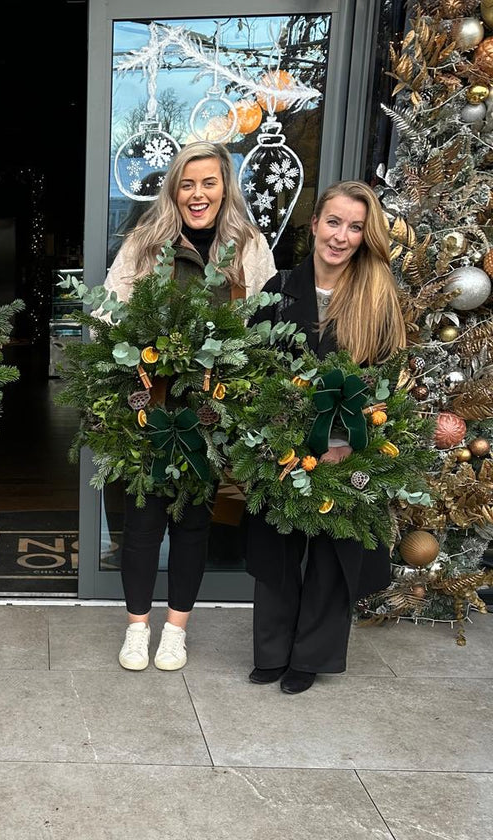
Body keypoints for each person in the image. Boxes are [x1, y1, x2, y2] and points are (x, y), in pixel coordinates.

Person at [104, 141, 276, 673]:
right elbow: (111, 310)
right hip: (150, 404)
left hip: (210, 408)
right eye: (187, 184)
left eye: (208, 183)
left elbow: (264, 325)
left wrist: (223, 360)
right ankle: (137, 628)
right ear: (173, 190)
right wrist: (148, 346)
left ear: (225, 188)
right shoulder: (145, 241)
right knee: (142, 522)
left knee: (194, 524)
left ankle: (175, 631)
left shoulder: (248, 245)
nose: (197, 194)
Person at [246, 180, 405, 694]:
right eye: (333, 222)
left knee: (334, 556)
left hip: (347, 447)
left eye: (355, 227)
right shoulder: (279, 288)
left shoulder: (377, 298)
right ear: (313, 224)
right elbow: (254, 369)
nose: (340, 236)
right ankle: (272, 651)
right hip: (283, 446)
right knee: (277, 544)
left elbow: (384, 382)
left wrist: (344, 441)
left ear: (365, 236)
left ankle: (309, 656)